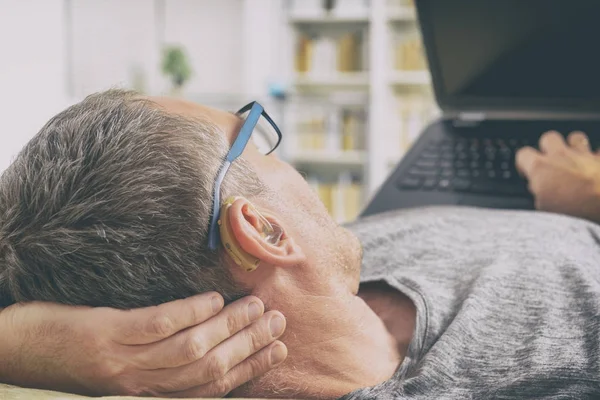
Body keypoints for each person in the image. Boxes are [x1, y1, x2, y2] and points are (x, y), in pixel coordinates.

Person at [1, 89, 599, 399]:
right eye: (254, 138)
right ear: (263, 232)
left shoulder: (325, 271)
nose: (283, 158)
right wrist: (586, 201)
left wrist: (25, 343)